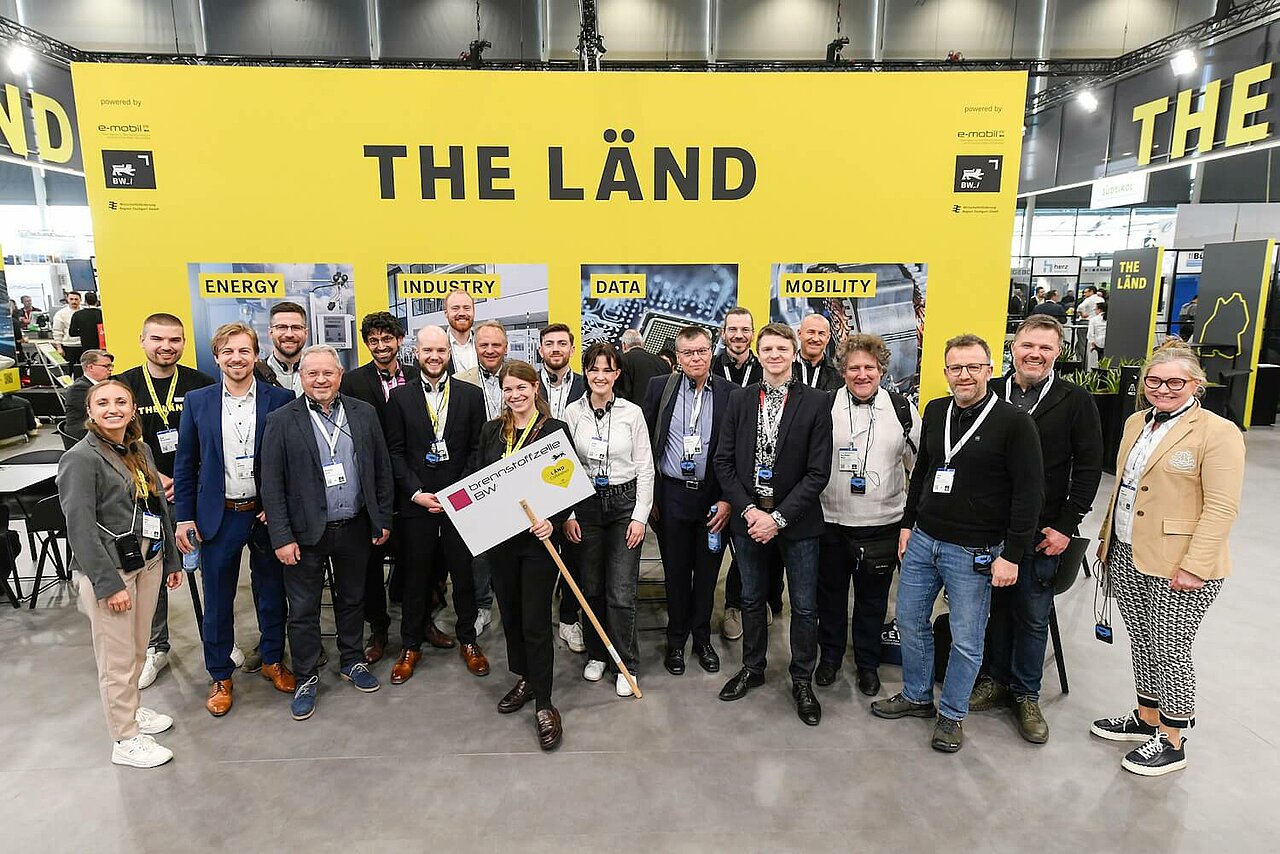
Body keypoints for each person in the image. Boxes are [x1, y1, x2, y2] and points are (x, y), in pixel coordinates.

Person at [872, 333, 1043, 754]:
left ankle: (951, 715)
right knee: (910, 622)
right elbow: (925, 470)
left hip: (975, 551)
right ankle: (916, 696)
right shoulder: (936, 410)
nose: (963, 375)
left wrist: (1014, 556)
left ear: (989, 369)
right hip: (924, 539)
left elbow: (1028, 494)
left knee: (967, 639)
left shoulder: (1014, 422)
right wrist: (908, 525)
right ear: (945, 372)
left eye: (973, 367)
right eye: (955, 368)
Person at [1091, 341, 1244, 776]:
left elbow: (1221, 507)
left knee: (1172, 649)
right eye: (1154, 381)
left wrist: (1195, 564)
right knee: (1143, 642)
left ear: (1196, 385)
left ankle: (1173, 739)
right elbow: (1124, 489)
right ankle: (1147, 718)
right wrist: (1107, 542)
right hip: (1127, 551)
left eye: (1176, 381)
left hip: (1182, 564)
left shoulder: (1217, 433)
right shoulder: (1137, 422)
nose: (1163, 389)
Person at [971, 316, 1102, 744]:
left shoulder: (1075, 401)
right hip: (989, 529)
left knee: (1032, 613)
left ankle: (1026, 694)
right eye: (1028, 345)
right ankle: (994, 680)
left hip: (1042, 532)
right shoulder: (990, 394)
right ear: (1012, 347)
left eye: (1045, 348)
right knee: (994, 610)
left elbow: (1087, 470)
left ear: (1058, 352)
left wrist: (1067, 526)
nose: (1035, 354)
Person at [260, 345, 395, 720]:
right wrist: (282, 538)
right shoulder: (281, 420)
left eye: (328, 374)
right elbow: (271, 485)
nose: (320, 380)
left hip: (354, 526)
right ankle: (305, 676)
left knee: (353, 599)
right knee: (302, 610)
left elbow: (381, 469)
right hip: (304, 534)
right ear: (301, 377)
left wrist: (381, 519)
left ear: (340, 375)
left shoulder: (363, 413)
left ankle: (351, 661)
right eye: (312, 374)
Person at [57, 379, 183, 767]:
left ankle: (130, 710)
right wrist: (107, 584)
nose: (113, 409)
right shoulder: (81, 458)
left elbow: (158, 505)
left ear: (132, 409)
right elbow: (79, 527)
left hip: (147, 563)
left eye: (121, 402)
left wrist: (171, 560)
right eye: (104, 403)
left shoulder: (139, 448)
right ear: (90, 412)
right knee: (115, 657)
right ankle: (124, 737)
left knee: (135, 648)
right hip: (111, 571)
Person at [173, 322, 296, 717]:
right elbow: (186, 464)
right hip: (218, 515)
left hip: (263, 516)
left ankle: (273, 660)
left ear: (255, 354)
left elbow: (292, 461)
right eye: (228, 352)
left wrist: (278, 506)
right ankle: (220, 675)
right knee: (219, 599)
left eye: (244, 351)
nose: (236, 358)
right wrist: (183, 518)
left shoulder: (281, 398)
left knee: (272, 593)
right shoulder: (198, 401)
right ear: (217, 357)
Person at [714, 323, 833, 726]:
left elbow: (818, 473)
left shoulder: (817, 402)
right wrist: (749, 512)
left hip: (797, 523)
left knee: (803, 606)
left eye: (782, 348)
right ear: (758, 352)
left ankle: (802, 679)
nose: (774, 355)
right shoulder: (740, 399)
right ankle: (753, 667)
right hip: (749, 519)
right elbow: (723, 462)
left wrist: (777, 519)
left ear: (794, 353)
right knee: (750, 599)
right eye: (767, 348)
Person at [472, 360, 573, 750]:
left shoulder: (553, 431)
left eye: (521, 388)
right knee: (510, 614)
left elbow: (566, 481)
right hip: (502, 541)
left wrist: (556, 519)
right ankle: (526, 678)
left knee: (534, 619)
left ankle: (545, 701)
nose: (515, 396)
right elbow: (480, 480)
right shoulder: (492, 432)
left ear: (536, 389)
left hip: (537, 543)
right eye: (508, 389)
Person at [815, 334, 920, 697]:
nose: (862, 374)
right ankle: (828, 657)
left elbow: (917, 466)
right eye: (854, 368)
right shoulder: (824, 406)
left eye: (869, 368)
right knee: (828, 597)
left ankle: (867, 664)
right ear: (842, 371)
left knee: (873, 602)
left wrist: (912, 520)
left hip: (882, 525)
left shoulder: (902, 408)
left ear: (881, 370)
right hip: (830, 521)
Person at [384, 325, 490, 683]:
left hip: (460, 503)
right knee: (416, 578)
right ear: (416, 352)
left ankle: (468, 640)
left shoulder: (471, 395)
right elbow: (395, 452)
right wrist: (416, 492)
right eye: (427, 350)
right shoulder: (399, 398)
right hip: (418, 504)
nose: (434, 357)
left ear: (450, 353)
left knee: (464, 577)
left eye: (440, 351)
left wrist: (458, 492)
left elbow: (478, 449)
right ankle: (410, 644)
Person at [118, 314, 216, 689]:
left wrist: (191, 480)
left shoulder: (200, 384)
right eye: (158, 338)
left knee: (210, 567)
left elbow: (214, 440)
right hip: (144, 497)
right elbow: (115, 443)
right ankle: (155, 647)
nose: (166, 346)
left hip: (195, 493)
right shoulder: (123, 386)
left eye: (175, 340)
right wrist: (153, 477)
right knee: (152, 573)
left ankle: (218, 638)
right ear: (142, 340)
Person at [563, 342, 655, 697]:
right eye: (594, 369)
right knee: (592, 587)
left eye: (608, 370)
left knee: (620, 591)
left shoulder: (632, 413)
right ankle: (599, 653)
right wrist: (569, 512)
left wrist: (639, 517)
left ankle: (625, 662)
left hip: (624, 505)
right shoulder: (573, 413)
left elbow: (646, 469)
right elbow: (564, 468)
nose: (600, 376)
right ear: (586, 372)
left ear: (617, 374)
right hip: (586, 506)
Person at [643, 326, 733, 676]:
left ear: (711, 352)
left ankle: (703, 638)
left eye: (702, 351)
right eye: (688, 353)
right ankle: (676, 640)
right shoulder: (659, 388)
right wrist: (650, 497)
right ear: (677, 358)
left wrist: (727, 499)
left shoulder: (731, 393)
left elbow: (737, 453)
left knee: (708, 574)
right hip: (673, 494)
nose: (696, 358)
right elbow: (646, 444)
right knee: (676, 573)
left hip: (713, 498)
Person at [339, 311, 420, 663]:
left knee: (418, 557)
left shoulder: (419, 377)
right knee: (370, 558)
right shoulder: (353, 381)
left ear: (399, 340)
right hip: (370, 481)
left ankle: (420, 623)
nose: (381, 346)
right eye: (373, 340)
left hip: (413, 478)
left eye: (387, 339)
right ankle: (379, 628)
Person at [709, 307, 780, 640]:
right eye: (732, 329)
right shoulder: (709, 367)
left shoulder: (764, 369)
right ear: (723, 333)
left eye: (745, 329)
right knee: (712, 548)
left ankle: (739, 602)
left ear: (753, 334)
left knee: (748, 544)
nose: (738, 335)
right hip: (712, 471)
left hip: (752, 478)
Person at [535, 323, 588, 653]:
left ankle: (569, 620)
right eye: (549, 344)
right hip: (534, 486)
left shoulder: (586, 384)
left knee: (575, 558)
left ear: (572, 349)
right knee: (537, 564)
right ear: (541, 349)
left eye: (562, 344)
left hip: (576, 483)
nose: (555, 349)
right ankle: (537, 622)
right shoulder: (527, 384)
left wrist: (569, 508)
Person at [455, 319, 509, 632]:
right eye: (484, 344)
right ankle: (482, 605)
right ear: (475, 347)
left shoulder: (519, 377)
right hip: (475, 471)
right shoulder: (460, 380)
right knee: (478, 548)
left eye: (496, 345)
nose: (490, 350)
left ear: (506, 347)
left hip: (513, 470)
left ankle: (510, 602)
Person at [255, 301, 308, 395]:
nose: (289, 334)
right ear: (270, 332)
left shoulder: (323, 375)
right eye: (281, 327)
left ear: (306, 333)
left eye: (296, 327)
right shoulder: (254, 375)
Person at [63, 349, 114, 441]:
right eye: (106, 366)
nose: (111, 369)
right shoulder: (78, 389)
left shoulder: (98, 385)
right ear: (90, 367)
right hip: (83, 437)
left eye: (111, 366)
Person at [616, 329, 671, 404]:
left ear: (624, 345)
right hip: (657, 413)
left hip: (631, 412)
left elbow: (622, 394)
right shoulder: (662, 362)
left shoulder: (622, 361)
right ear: (642, 344)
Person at [792, 313, 842, 391]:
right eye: (811, 332)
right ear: (799, 334)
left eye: (821, 334)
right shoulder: (785, 368)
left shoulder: (839, 372)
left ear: (828, 338)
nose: (815, 339)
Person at [444, 289, 478, 374]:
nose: (462, 313)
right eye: (455, 308)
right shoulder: (435, 346)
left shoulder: (485, 343)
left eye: (467, 308)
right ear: (446, 313)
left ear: (473, 311)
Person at [52, 290, 82, 362]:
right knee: (70, 369)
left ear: (80, 300)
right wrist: (59, 348)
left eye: (76, 299)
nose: (74, 301)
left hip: (83, 345)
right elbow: (57, 331)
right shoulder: (61, 314)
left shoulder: (85, 312)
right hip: (68, 346)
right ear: (67, 300)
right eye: (71, 299)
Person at [1087, 302, 1108, 369]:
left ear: (1099, 310)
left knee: (1099, 361)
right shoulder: (1110, 318)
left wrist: (1092, 343)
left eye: (1095, 309)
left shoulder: (1094, 319)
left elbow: (1090, 333)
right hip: (1108, 342)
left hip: (1098, 344)